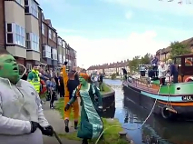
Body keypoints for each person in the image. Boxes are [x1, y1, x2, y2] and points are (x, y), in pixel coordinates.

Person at [0, 49, 54, 144]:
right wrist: (29, 126)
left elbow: (38, 107)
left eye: (14, 61)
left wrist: (44, 124)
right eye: (8, 61)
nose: (14, 63)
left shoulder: (28, 85)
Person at [64, 72, 104, 144]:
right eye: (79, 78)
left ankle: (100, 134)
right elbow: (74, 97)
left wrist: (100, 105)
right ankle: (85, 139)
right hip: (84, 109)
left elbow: (99, 95)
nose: (79, 79)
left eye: (81, 78)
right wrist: (68, 104)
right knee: (84, 123)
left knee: (96, 121)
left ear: (85, 79)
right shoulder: (78, 88)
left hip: (93, 108)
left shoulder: (91, 86)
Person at [62, 63, 79, 133]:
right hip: (75, 99)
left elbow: (64, 73)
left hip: (67, 98)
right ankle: (75, 126)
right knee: (76, 112)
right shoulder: (77, 82)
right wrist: (76, 71)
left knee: (66, 113)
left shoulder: (66, 80)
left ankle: (66, 125)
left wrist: (64, 66)